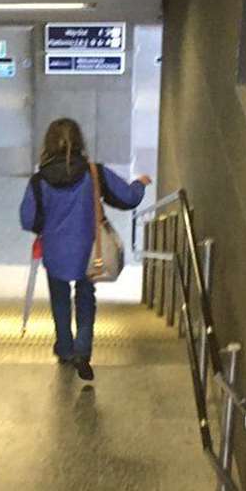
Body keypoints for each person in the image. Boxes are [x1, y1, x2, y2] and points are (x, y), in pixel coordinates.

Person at [19, 117, 150, 382]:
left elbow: (28, 219)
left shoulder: (38, 180)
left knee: (59, 298)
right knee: (85, 296)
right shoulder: (94, 172)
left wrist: (47, 223)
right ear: (79, 141)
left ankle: (64, 348)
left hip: (55, 252)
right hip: (89, 252)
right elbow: (127, 197)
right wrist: (140, 183)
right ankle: (83, 349)